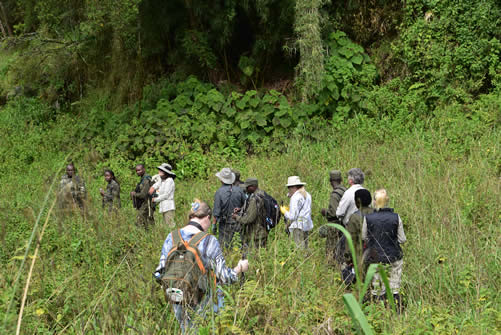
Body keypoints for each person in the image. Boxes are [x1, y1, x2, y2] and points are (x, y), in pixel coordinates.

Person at [154, 200, 249, 333]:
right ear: (208, 217)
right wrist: (240, 267)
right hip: (202, 303)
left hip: (178, 300)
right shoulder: (209, 241)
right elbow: (226, 277)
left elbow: (159, 273)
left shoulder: (172, 237)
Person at [362, 189, 406, 306]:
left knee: (376, 287)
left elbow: (364, 237)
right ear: (387, 201)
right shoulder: (396, 217)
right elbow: (402, 239)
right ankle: (395, 309)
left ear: (375, 202)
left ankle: (377, 309)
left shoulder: (368, 218)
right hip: (394, 256)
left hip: (375, 257)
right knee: (394, 287)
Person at [336, 189, 373, 285]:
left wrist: (348, 258)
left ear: (357, 202)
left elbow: (350, 239)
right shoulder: (376, 214)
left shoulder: (355, 217)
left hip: (360, 255)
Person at [212, 168, 246, 249]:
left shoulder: (219, 192)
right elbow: (245, 205)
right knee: (238, 245)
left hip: (224, 224)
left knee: (224, 247)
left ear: (221, 180)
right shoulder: (239, 190)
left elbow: (216, 212)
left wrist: (214, 224)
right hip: (238, 222)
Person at [319, 170, 347, 267]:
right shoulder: (345, 191)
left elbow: (333, 213)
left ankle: (331, 267)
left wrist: (325, 212)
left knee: (331, 249)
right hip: (344, 225)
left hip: (335, 226)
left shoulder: (335, 194)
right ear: (341, 180)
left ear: (331, 181)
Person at [232, 178, 268, 250]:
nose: (245, 189)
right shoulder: (262, 194)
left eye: (247, 187)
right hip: (262, 231)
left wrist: (236, 217)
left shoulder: (254, 199)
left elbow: (248, 219)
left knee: (255, 256)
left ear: (252, 187)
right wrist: (241, 209)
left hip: (257, 234)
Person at [280, 176, 313, 249]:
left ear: (293, 187)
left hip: (297, 227)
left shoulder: (295, 197)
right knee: (305, 248)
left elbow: (292, 216)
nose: (288, 189)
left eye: (289, 187)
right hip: (306, 225)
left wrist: (284, 211)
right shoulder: (307, 195)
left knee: (298, 249)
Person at [149, 163, 176, 227]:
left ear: (165, 172)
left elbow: (166, 195)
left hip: (168, 206)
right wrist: (153, 187)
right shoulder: (163, 180)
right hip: (164, 206)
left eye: (161, 170)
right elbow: (157, 183)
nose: (159, 171)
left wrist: (155, 199)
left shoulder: (169, 181)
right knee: (165, 225)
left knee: (170, 225)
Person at [130, 164, 155, 228]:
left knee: (141, 221)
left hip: (147, 203)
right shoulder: (143, 179)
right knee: (146, 222)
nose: (137, 172)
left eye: (139, 170)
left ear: (144, 169)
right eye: (136, 171)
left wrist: (134, 194)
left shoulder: (146, 180)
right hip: (144, 203)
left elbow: (143, 195)